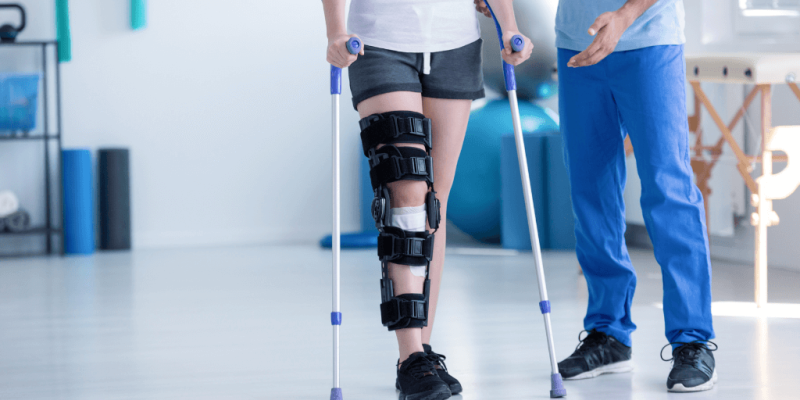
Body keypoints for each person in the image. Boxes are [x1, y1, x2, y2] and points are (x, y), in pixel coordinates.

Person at [479, 0, 717, 393]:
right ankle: (608, 334)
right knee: (591, 193)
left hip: (648, 43)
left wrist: (624, 16)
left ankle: (692, 339)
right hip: (578, 46)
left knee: (668, 190)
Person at [322, 1, 532, 399]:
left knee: (434, 203)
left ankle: (423, 353)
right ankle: (410, 355)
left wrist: (509, 25)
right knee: (405, 194)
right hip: (378, 41)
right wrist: (335, 29)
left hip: (455, 43)